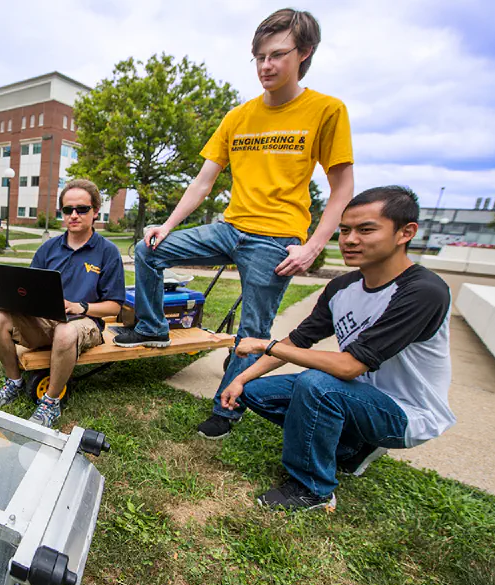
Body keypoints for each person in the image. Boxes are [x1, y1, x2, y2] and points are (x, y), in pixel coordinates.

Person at [114, 8, 355, 441]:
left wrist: (313, 246)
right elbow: (203, 181)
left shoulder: (326, 110)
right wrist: (167, 225)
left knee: (253, 330)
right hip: (230, 226)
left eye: (278, 55)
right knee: (149, 249)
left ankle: (227, 406)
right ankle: (152, 328)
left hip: (277, 237)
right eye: (259, 56)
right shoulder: (238, 117)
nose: (266, 65)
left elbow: (341, 188)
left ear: (304, 53)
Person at [219, 186, 455, 511]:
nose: (350, 239)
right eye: (344, 230)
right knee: (257, 391)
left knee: (317, 385)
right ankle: (350, 447)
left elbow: (348, 367)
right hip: (354, 393)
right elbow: (299, 340)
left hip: (407, 412)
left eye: (366, 229)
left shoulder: (423, 292)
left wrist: (265, 344)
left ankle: (313, 489)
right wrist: (241, 379)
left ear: (406, 233)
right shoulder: (342, 287)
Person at [0, 179, 125, 428]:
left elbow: (115, 306)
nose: (74, 215)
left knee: (65, 329)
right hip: (46, 319)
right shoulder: (48, 249)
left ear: (95, 212)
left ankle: (50, 402)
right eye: (68, 209)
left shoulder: (107, 252)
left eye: (82, 209)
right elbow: (27, 289)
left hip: (85, 323)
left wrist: (82, 307)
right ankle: (14, 382)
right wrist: (18, 302)